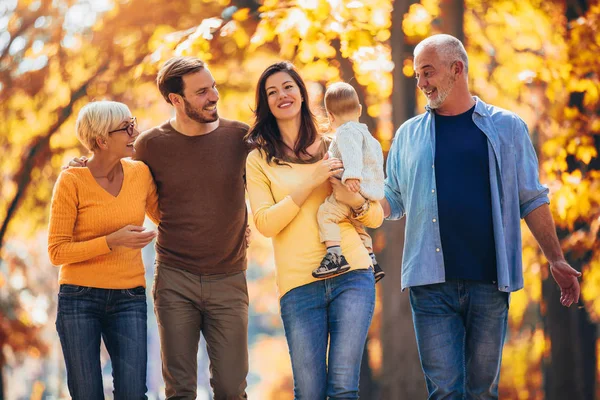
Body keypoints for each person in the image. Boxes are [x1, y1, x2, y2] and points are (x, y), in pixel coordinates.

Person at [382, 34, 582, 399]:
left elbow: (532, 199)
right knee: (444, 392)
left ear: (457, 69)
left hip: (489, 282)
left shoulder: (507, 128)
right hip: (429, 284)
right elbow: (391, 199)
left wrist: (556, 258)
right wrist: (354, 200)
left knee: (481, 393)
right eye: (417, 76)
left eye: (428, 73)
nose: (422, 83)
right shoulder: (408, 135)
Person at [67, 57, 250, 400]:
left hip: (229, 277)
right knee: (179, 389)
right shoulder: (151, 144)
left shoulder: (240, 137)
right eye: (201, 92)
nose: (213, 96)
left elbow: (280, 168)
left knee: (230, 387)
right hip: (174, 278)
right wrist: (80, 164)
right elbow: (111, 170)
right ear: (176, 100)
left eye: (213, 86)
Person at [245, 61, 384, 399]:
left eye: (288, 87)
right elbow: (265, 223)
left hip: (351, 273)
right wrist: (311, 180)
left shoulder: (336, 143)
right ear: (266, 104)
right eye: (272, 92)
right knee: (308, 392)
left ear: (302, 94)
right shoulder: (259, 160)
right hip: (299, 286)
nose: (282, 95)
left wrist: (355, 200)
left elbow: (376, 216)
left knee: (343, 387)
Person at [48, 101, 159, 400]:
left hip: (129, 297)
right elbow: (57, 252)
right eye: (126, 127)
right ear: (102, 140)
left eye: (132, 123)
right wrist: (111, 241)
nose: (134, 131)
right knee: (86, 394)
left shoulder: (140, 174)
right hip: (79, 299)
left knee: (133, 393)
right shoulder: (71, 181)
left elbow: (168, 216)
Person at [312, 82, 385, 282]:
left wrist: (352, 175)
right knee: (356, 226)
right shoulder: (370, 138)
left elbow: (351, 154)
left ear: (331, 117)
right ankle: (371, 258)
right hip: (367, 194)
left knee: (326, 214)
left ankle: (334, 255)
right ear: (359, 109)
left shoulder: (345, 132)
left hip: (350, 188)